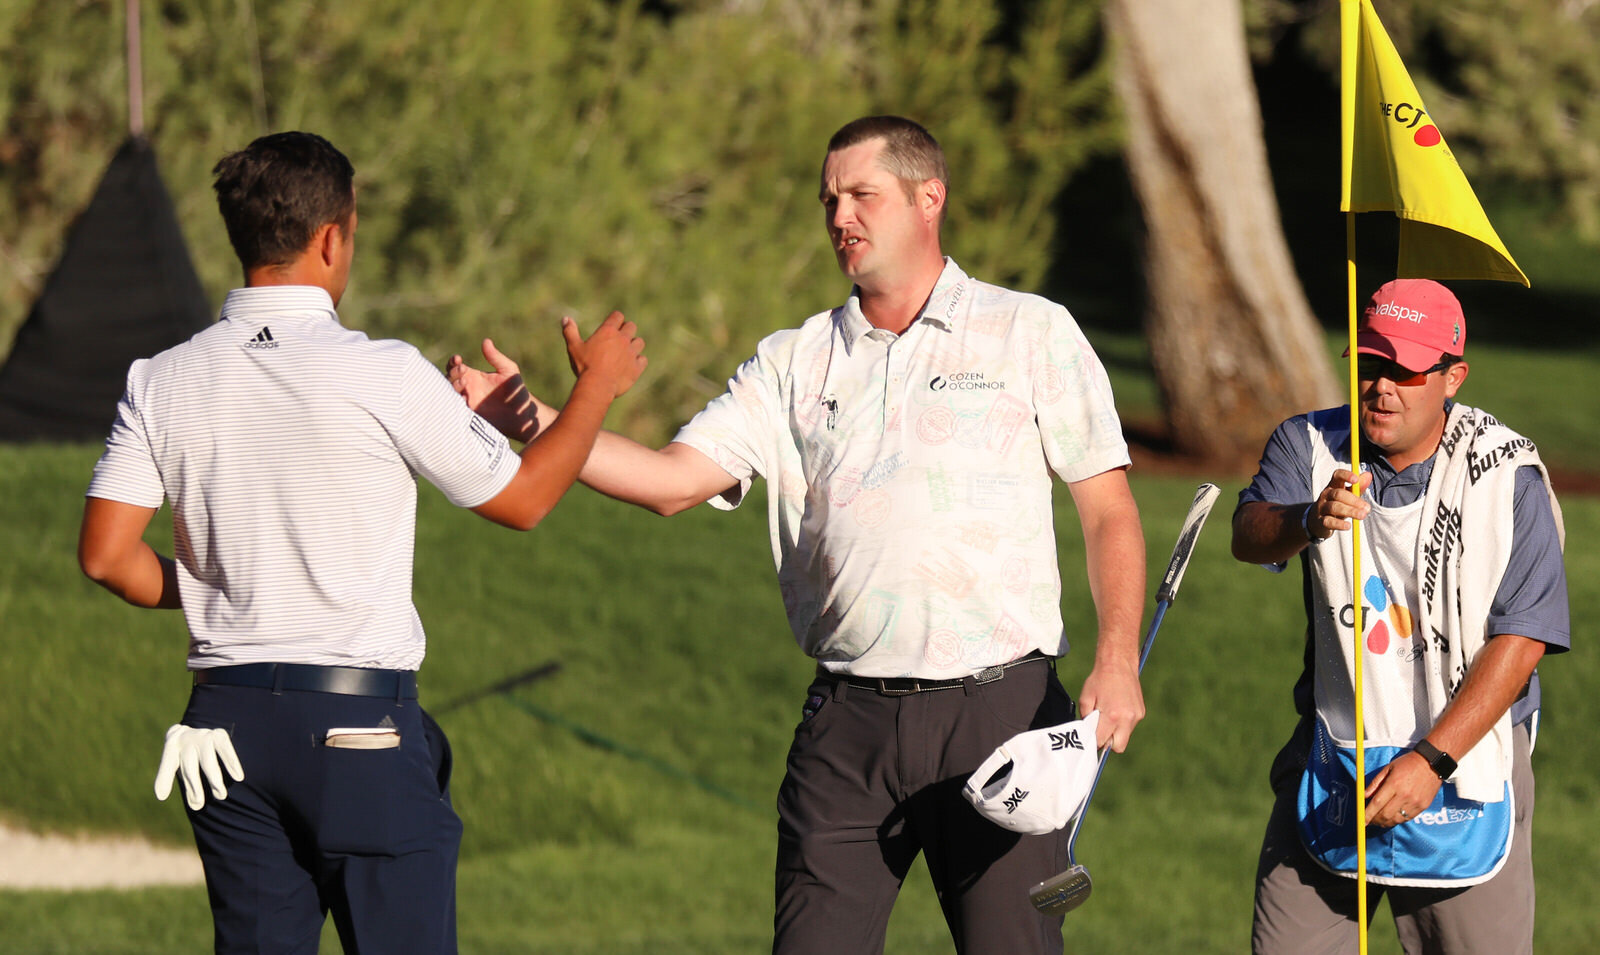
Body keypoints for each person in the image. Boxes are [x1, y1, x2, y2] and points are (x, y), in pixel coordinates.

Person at [450, 115, 1147, 953]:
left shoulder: (1028, 330)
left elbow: (1108, 509)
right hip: (846, 723)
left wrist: (1115, 656)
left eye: (862, 194)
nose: (840, 216)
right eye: (829, 199)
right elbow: (672, 482)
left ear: (930, 198)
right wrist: (531, 420)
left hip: (998, 713)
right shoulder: (793, 359)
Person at [76, 131, 646, 954]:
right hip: (358, 730)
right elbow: (524, 499)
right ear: (333, 237)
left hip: (221, 729)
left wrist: (214, 586)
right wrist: (595, 387)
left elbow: (105, 555)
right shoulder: (381, 369)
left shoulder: (159, 378)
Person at [1231, 279, 1568, 955]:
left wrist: (1430, 760)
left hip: (1465, 765)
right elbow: (1248, 532)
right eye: (1370, 363)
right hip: (1334, 754)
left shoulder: (1507, 476)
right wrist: (1308, 517)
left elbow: (1523, 638)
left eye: (1406, 369)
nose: (1381, 385)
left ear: (1452, 377)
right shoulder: (1308, 443)